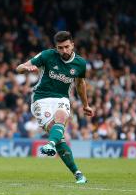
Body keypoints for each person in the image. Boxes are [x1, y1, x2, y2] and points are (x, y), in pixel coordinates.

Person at [16, 31, 94, 184]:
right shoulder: (47, 55)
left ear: (72, 45)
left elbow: (80, 84)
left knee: (62, 117)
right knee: (58, 137)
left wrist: (86, 105)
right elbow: (19, 68)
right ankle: (77, 173)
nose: (64, 51)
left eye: (66, 47)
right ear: (56, 47)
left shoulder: (80, 63)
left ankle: (51, 145)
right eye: (60, 48)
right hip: (40, 98)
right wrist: (26, 68)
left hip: (61, 98)